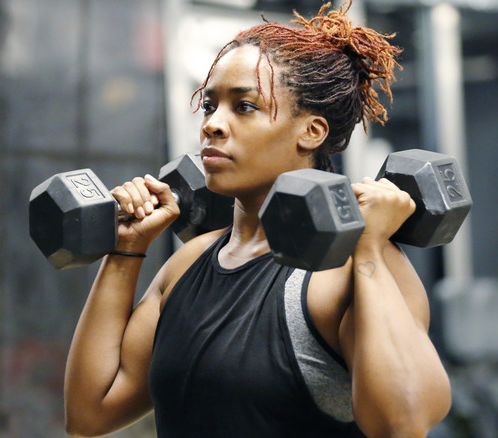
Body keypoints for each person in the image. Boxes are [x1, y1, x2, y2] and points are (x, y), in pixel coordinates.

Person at [63, 1, 451, 437]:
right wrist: (124, 250)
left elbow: (403, 423)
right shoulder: (188, 263)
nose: (213, 125)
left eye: (243, 107)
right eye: (210, 106)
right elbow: (89, 414)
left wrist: (370, 250)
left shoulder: (346, 268)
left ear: (312, 131)